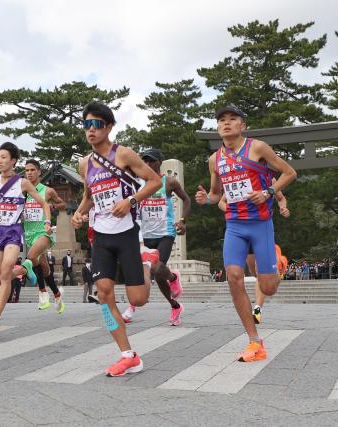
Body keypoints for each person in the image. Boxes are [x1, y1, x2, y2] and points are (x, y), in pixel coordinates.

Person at [195, 104, 296, 362]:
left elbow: (289, 173)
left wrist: (268, 193)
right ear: (218, 127)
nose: (226, 123)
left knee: (269, 288)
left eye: (232, 119)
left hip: (261, 224)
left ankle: (278, 266)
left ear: (243, 125)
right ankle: (254, 341)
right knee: (234, 277)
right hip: (235, 226)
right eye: (221, 120)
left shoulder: (257, 148)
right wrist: (207, 198)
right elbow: (217, 193)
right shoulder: (214, 159)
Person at [71, 101, 161, 376]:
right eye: (86, 124)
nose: (91, 130)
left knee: (139, 298)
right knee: (104, 293)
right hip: (101, 236)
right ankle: (127, 354)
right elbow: (90, 194)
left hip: (126, 233)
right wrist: (78, 212)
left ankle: (147, 264)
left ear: (109, 127)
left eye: (97, 124)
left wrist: (130, 200)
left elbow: (154, 181)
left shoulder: (124, 154)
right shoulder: (84, 163)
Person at [0, 142, 52, 333]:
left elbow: (44, 204)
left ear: (13, 161)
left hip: (13, 232)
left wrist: (47, 221)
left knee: (6, 270)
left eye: (4, 157)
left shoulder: (22, 183)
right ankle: (25, 270)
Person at [121, 148, 191, 326]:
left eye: (151, 161)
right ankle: (174, 304)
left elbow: (187, 200)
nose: (148, 164)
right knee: (151, 273)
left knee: (154, 268)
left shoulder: (169, 182)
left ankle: (171, 280)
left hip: (165, 233)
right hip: (145, 234)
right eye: (145, 161)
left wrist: (182, 220)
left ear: (160, 162)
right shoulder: (137, 184)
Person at [218, 181, 289, 324]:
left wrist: (283, 208)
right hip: (241, 230)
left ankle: (257, 308)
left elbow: (281, 198)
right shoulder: (238, 177)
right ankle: (276, 271)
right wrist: (234, 213)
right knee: (255, 273)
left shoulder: (270, 179)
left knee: (260, 270)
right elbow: (221, 202)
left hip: (262, 229)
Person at [22, 159, 67, 313]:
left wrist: (51, 206)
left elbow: (62, 204)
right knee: (45, 267)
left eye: (32, 170)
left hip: (43, 232)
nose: (29, 173)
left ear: (39, 172)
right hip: (28, 233)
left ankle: (42, 292)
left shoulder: (47, 191)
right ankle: (57, 293)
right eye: (27, 170)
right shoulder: (23, 191)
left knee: (31, 256)